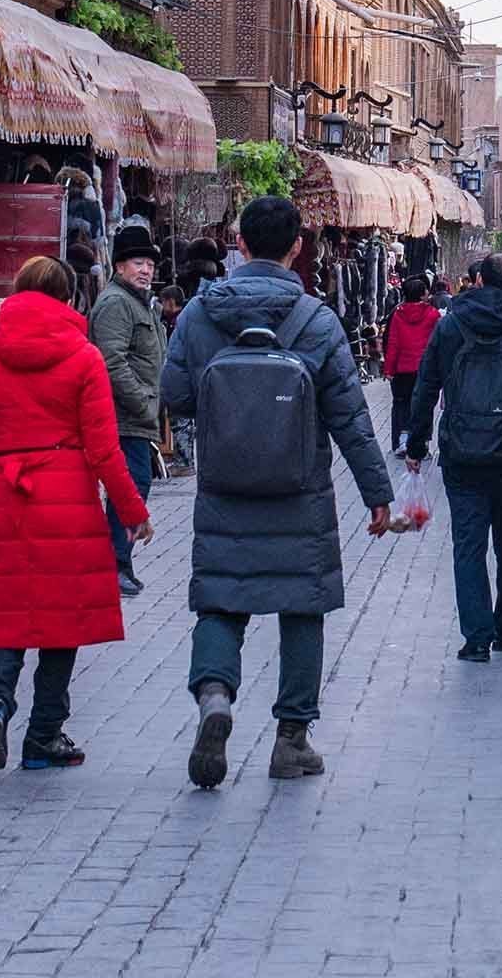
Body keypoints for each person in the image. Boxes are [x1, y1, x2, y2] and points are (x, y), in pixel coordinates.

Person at [161, 193, 396, 788]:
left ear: (239, 243)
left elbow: (177, 397)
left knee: (220, 600)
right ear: (297, 247)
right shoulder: (315, 319)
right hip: (301, 491)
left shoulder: (198, 313)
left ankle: (215, 695)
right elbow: (349, 416)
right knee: (302, 606)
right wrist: (377, 492)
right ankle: (291, 739)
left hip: (224, 488)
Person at [0, 257, 151, 771]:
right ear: (69, 299)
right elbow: (106, 448)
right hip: (67, 497)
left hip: (4, 494)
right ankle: (44, 735)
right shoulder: (84, 357)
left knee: (8, 614)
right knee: (61, 622)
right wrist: (133, 511)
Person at [401, 253, 502, 661]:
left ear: (478, 280)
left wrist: (416, 443)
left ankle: (476, 637)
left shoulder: (450, 325)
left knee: (468, 544)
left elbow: (426, 386)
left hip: (461, 454)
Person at [88, 230, 167, 597]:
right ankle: (113, 564)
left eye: (150, 264)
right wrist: (141, 401)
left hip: (135, 417)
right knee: (130, 488)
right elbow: (111, 360)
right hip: (122, 417)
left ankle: (119, 562)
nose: (146, 270)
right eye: (138, 263)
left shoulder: (139, 302)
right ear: (119, 266)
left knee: (135, 486)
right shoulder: (117, 304)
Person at [382, 272, 440, 447]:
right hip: (425, 369)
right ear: (423, 294)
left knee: (402, 403)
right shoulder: (433, 314)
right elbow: (437, 344)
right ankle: (422, 442)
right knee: (424, 405)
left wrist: (389, 370)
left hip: (402, 369)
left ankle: (402, 441)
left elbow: (393, 343)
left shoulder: (398, 315)